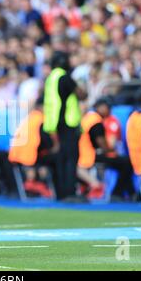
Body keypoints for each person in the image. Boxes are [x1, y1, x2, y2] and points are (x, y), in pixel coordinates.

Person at [43, 50, 87, 201]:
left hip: (53, 123)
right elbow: (82, 94)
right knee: (70, 159)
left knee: (61, 159)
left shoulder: (50, 78)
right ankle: (70, 193)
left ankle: (61, 193)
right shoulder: (64, 76)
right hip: (67, 123)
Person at [78, 98, 135, 200]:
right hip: (92, 154)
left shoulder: (88, 118)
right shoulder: (97, 121)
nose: (109, 110)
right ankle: (117, 193)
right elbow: (104, 144)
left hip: (84, 153)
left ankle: (128, 193)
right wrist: (110, 150)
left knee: (124, 163)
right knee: (127, 163)